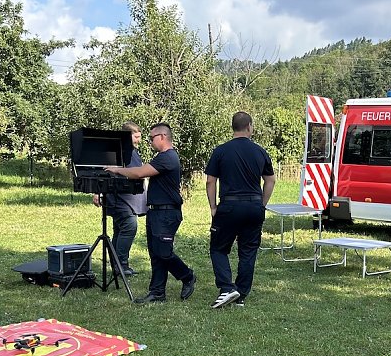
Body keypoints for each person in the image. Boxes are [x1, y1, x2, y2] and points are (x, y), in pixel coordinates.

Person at [105, 123, 195, 303]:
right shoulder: (161, 157)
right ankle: (157, 292)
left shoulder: (168, 157)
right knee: (155, 253)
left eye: (152, 138)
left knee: (163, 252)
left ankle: (187, 276)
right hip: (155, 211)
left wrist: (116, 170)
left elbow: (139, 173)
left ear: (162, 137)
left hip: (167, 212)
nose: (149, 141)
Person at [205, 111, 276, 308]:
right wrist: (262, 203)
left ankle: (227, 288)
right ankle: (241, 295)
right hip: (254, 206)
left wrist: (213, 206)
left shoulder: (221, 151)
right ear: (249, 127)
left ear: (233, 127)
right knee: (248, 251)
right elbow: (270, 180)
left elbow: (211, 181)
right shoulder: (260, 151)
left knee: (218, 248)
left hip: (229, 206)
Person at [92, 122, 146, 276]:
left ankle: (117, 264)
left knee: (119, 230)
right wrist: (97, 192)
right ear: (127, 136)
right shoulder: (120, 151)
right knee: (129, 227)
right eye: (136, 137)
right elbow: (103, 171)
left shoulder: (131, 151)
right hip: (119, 198)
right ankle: (121, 264)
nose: (138, 140)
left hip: (125, 197)